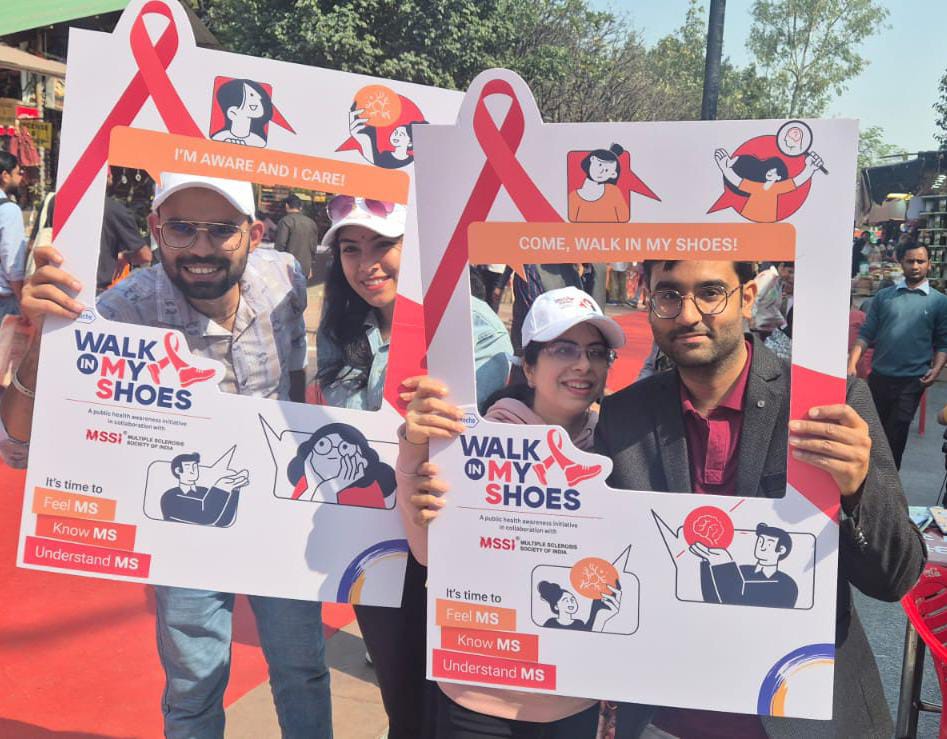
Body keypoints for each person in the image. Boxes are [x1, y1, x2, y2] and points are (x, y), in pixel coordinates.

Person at [1, 173, 331, 738]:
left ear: (254, 234)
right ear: (155, 229)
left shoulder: (284, 278)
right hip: (183, 526)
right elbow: (17, 448)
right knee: (193, 687)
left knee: (302, 669)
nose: (201, 248)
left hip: (280, 516)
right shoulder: (119, 311)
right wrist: (44, 338)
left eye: (221, 230)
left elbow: (297, 364)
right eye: (181, 228)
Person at [594, 258, 925, 737]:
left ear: (747, 298)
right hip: (664, 710)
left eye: (710, 293)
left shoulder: (826, 405)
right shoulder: (624, 415)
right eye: (669, 295)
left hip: (799, 709)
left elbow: (895, 576)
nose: (688, 314)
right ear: (650, 302)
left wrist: (857, 490)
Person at [398, 287, 643, 737]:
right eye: (563, 349)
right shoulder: (472, 444)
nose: (583, 365)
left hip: (575, 697)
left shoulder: (622, 448)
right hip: (478, 695)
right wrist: (414, 451)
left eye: (596, 352)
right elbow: (430, 553)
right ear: (528, 367)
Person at [314, 194, 513, 739]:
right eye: (351, 249)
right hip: (371, 540)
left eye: (383, 244)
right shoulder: (340, 326)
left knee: (454, 704)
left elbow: (479, 439)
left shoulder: (469, 325)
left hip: (446, 540)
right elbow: (342, 423)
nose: (366, 264)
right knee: (400, 697)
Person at [849, 241, 947, 468]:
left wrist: (936, 369)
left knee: (896, 433)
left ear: (929, 264)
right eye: (910, 261)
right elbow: (866, 334)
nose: (915, 266)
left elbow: (943, 343)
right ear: (901, 262)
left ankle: (888, 483)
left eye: (920, 261)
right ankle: (868, 480)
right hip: (879, 377)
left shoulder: (939, 302)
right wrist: (852, 363)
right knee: (871, 432)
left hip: (912, 381)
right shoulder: (884, 297)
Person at [713, 148, 824, 223]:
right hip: (747, 220)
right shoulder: (756, 186)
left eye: (774, 172)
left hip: (767, 223)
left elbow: (797, 181)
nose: (770, 172)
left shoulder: (778, 188)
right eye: (769, 169)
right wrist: (724, 168)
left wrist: (810, 169)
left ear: (779, 177)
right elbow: (737, 181)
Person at [97, 168, 151, 293]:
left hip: (61, 288)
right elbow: (145, 256)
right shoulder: (115, 210)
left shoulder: (59, 202)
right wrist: (126, 257)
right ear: (108, 178)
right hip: (97, 292)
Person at [161, 451, 248, 527]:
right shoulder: (169, 496)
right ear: (178, 470)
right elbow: (205, 517)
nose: (193, 470)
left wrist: (234, 490)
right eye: (188, 467)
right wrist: (222, 488)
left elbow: (222, 521)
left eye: (195, 466)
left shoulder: (204, 491)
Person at [569, 144, 629, 223]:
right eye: (600, 164)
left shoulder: (613, 192)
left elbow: (624, 219)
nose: (601, 171)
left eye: (606, 170)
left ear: (613, 174)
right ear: (592, 159)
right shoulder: (574, 197)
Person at [210, 78, 273, 147]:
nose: (259, 97)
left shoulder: (260, 142)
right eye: (251, 95)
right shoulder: (219, 138)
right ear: (232, 113)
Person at [0, 152, 26, 320]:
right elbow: (12, 265)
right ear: (5, 176)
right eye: (18, 173)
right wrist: (23, 302)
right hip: (4, 303)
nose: (21, 178)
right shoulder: (9, 210)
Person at [275, 193, 320, 282]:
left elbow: (280, 245)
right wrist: (310, 266)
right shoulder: (311, 223)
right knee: (301, 290)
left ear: (287, 206)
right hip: (305, 267)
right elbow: (313, 248)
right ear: (300, 207)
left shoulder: (285, 221)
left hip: (288, 267)